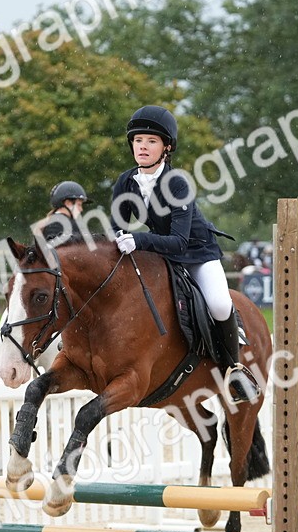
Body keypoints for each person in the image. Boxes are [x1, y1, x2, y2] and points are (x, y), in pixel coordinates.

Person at [110, 104, 259, 403]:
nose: (142, 146)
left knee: (218, 304)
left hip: (197, 252)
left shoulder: (177, 183)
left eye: (151, 141)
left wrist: (137, 240)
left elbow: (178, 241)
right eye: (138, 140)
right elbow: (118, 225)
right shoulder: (126, 181)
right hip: (160, 252)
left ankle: (234, 368)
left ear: (166, 148)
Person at [34, 181, 88, 248]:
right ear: (68, 203)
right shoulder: (63, 224)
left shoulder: (51, 222)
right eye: (79, 205)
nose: (81, 209)